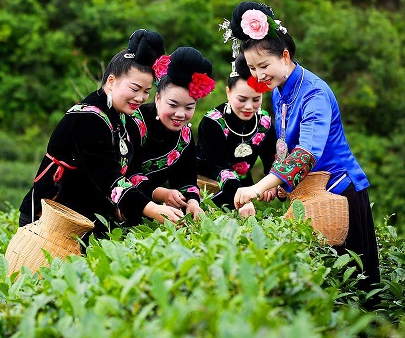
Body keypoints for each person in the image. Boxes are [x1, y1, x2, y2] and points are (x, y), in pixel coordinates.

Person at [230, 1, 380, 295]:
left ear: (284, 56)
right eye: (251, 68)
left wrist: (258, 186)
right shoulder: (278, 91)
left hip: (338, 191)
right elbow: (285, 147)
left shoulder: (315, 92)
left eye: (263, 66)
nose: (258, 75)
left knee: (354, 291)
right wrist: (278, 185)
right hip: (308, 191)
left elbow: (306, 154)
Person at [18, 29, 184, 237]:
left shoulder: (127, 119)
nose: (140, 97)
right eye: (134, 88)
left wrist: (161, 194)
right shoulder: (86, 119)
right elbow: (108, 178)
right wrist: (153, 209)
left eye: (146, 92)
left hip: (91, 218)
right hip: (51, 218)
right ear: (112, 81)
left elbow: (131, 173)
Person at [128, 47, 216, 219]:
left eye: (189, 107)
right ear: (158, 98)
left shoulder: (184, 137)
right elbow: (124, 174)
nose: (180, 114)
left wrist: (192, 202)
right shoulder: (133, 122)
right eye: (173, 105)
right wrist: (162, 194)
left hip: (154, 213)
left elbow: (187, 180)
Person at [196, 53, 277, 217]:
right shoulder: (212, 122)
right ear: (228, 92)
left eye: (256, 99)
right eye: (242, 99)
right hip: (205, 189)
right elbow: (221, 168)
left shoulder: (264, 122)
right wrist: (244, 200)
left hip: (243, 191)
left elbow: (272, 162)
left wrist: (271, 185)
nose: (249, 107)